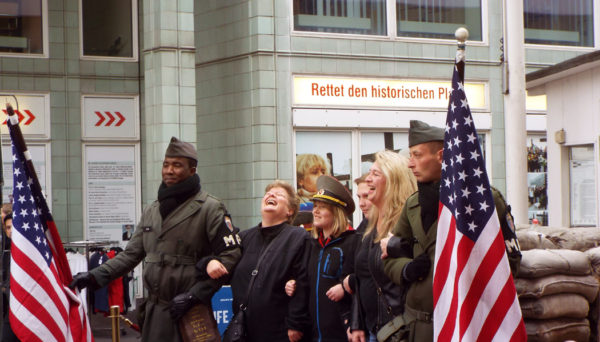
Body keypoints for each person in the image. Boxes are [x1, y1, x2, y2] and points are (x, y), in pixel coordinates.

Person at [69, 137, 242, 341]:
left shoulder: (210, 208)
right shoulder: (153, 210)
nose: (169, 170)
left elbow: (231, 255)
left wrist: (195, 295)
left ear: (192, 170)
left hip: (189, 311)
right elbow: (131, 255)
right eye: (166, 164)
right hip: (154, 313)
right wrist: (92, 276)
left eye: (177, 165)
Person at [381, 120, 522, 342]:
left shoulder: (484, 201)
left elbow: (509, 261)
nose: (410, 163)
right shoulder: (413, 205)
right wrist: (407, 269)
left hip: (465, 326)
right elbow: (388, 257)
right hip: (419, 327)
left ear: (441, 156)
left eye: (417, 155)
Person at [227, 180, 310, 342]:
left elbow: (303, 281)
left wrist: (296, 323)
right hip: (244, 331)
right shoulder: (244, 237)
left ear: (290, 211)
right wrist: (207, 264)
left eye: (279, 195)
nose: (271, 195)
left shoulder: (298, 237)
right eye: (268, 193)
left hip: (279, 332)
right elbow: (223, 263)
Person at [349, 151, 417, 342]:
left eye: (375, 174)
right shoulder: (368, 227)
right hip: (374, 331)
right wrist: (357, 323)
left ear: (394, 180)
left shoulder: (409, 223)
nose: (368, 179)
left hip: (401, 331)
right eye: (369, 173)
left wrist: (397, 245)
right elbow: (363, 278)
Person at [303, 175, 361, 341]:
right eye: (315, 206)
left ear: (336, 212)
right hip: (313, 333)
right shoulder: (311, 244)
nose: (315, 211)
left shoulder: (354, 241)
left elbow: (365, 279)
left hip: (343, 331)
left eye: (322, 207)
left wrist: (346, 287)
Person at [294, 154, 331, 230]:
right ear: (301, 180)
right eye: (315, 172)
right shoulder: (295, 204)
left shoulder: (331, 201)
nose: (321, 176)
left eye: (323, 172)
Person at [1, 214, 18, 342]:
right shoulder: (6, 253)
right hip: (9, 311)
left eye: (13, 227)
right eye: (8, 228)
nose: (10, 230)